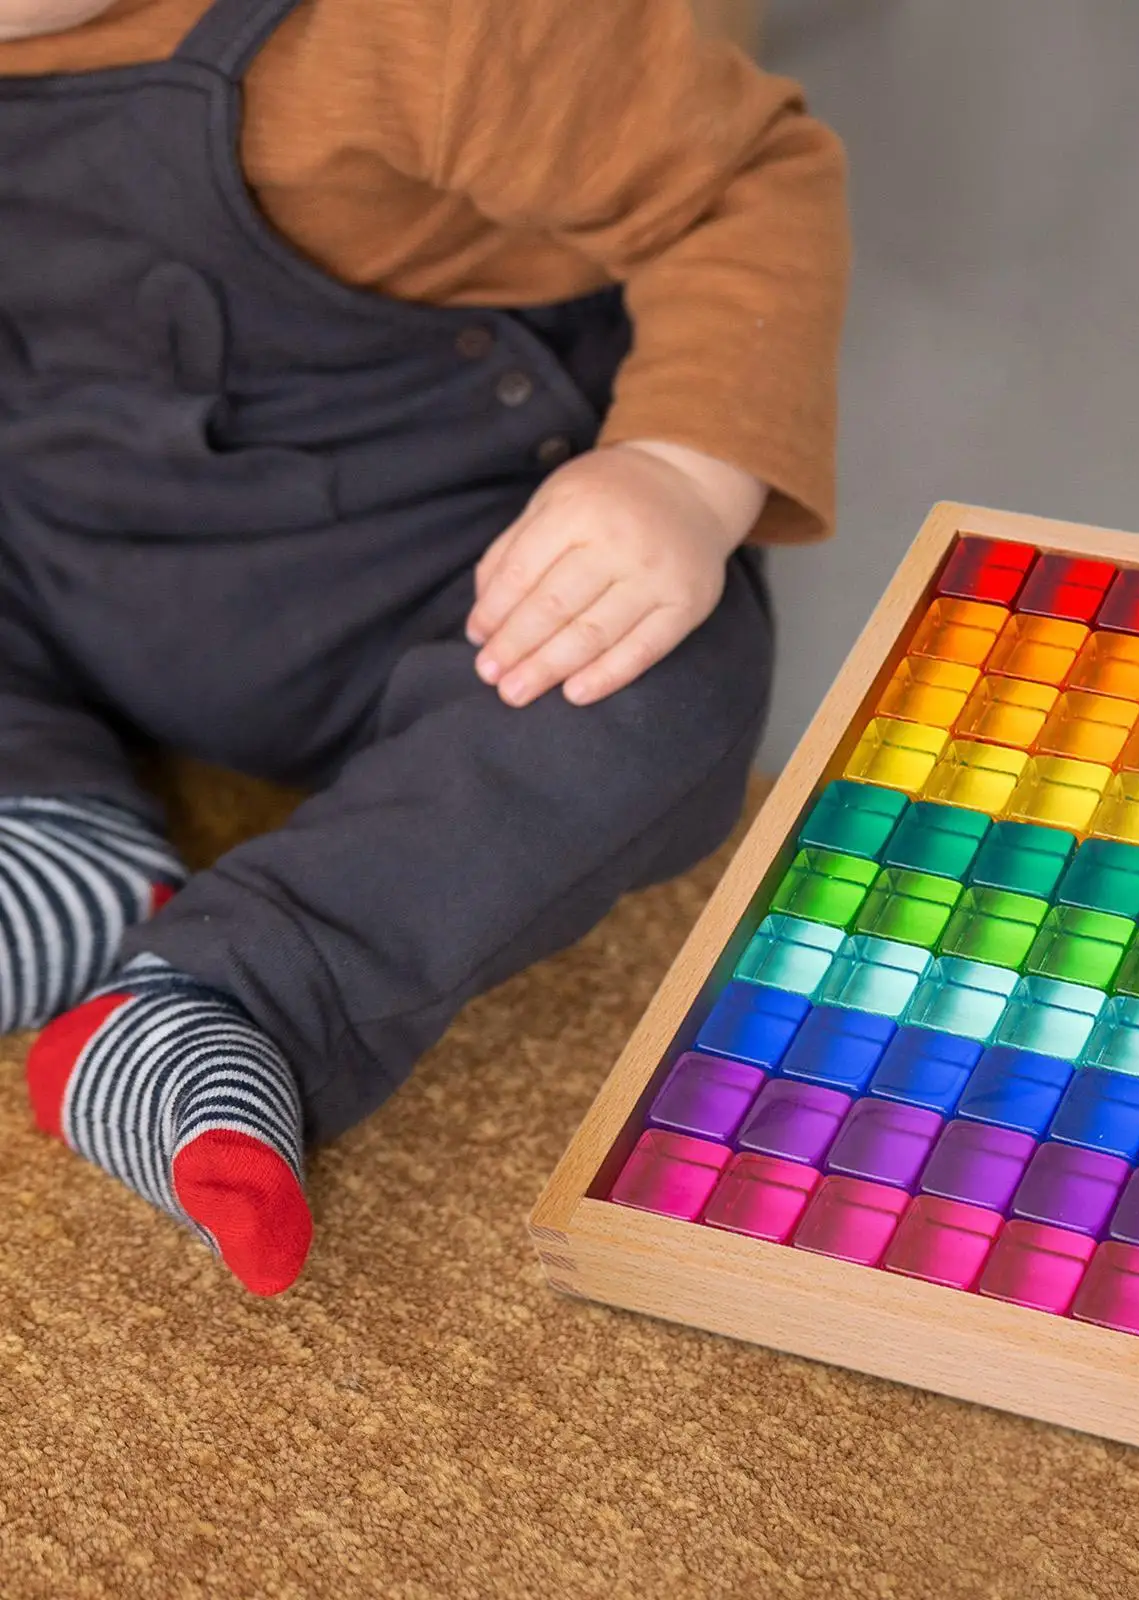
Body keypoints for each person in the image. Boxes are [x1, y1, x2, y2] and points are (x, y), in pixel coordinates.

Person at [0, 0, 848, 1294]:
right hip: (65, 524)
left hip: (442, 580)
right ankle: (52, 831)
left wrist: (679, 474)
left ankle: (252, 988)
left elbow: (739, 186)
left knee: (664, 686)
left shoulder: (432, 24)